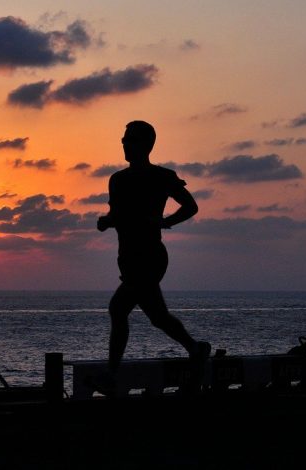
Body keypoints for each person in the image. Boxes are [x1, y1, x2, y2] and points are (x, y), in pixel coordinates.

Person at [96, 120, 210, 390]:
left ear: (146, 144)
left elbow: (190, 206)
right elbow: (118, 215)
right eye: (124, 139)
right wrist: (106, 221)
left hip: (150, 257)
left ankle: (112, 375)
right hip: (129, 257)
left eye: (130, 139)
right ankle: (195, 348)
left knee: (118, 308)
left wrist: (165, 222)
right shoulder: (118, 180)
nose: (124, 143)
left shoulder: (161, 177)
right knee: (158, 317)